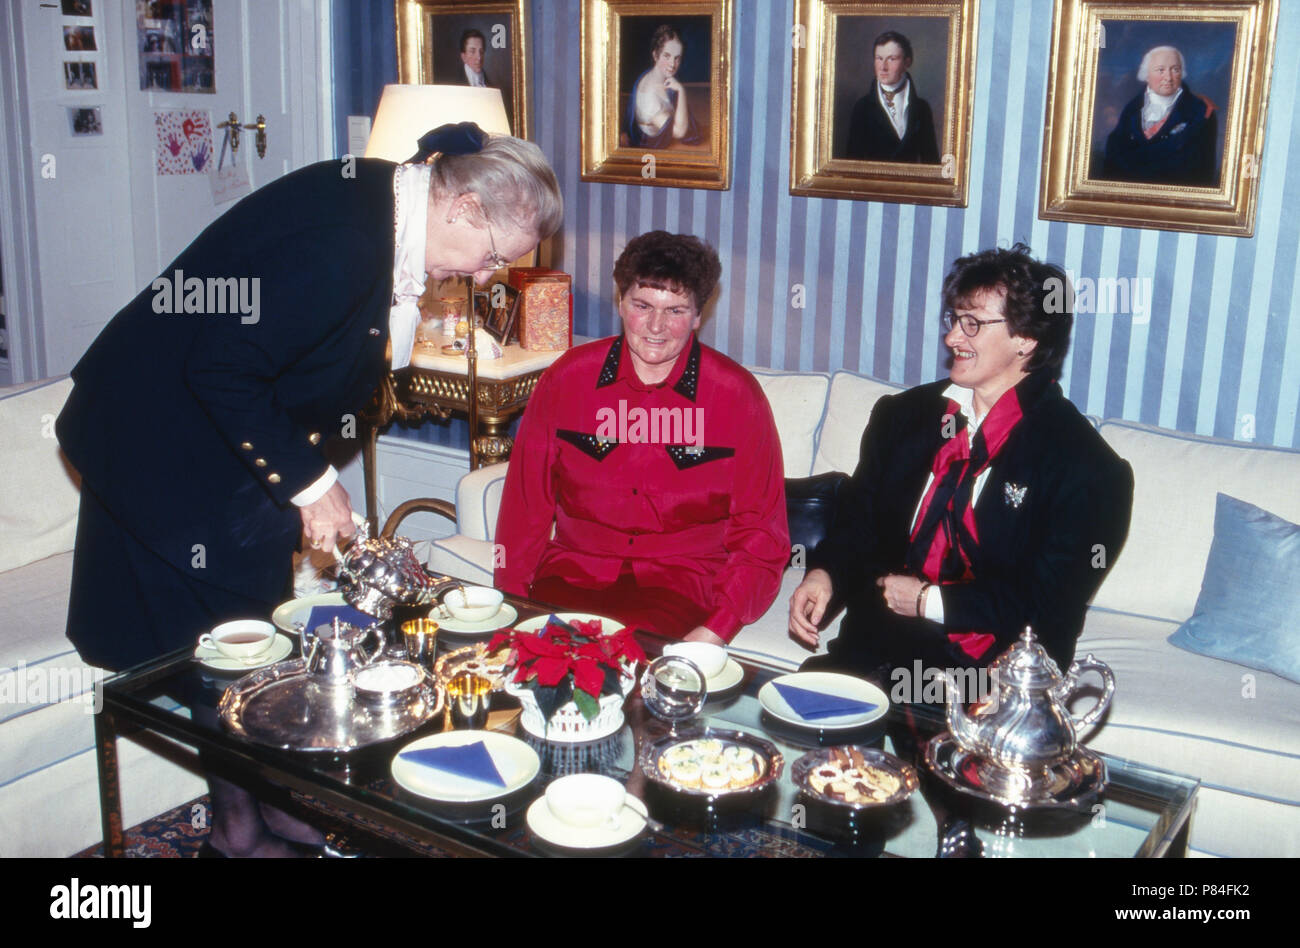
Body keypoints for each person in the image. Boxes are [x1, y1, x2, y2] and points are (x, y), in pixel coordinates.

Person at [57, 124, 562, 854]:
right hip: (157, 431)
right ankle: (238, 832)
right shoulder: (344, 240)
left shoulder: (383, 209)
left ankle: (278, 806)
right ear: (464, 210)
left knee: (258, 627)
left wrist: (301, 480)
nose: (485, 278)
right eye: (494, 258)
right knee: (225, 647)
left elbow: (302, 356)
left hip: (220, 433)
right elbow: (221, 367)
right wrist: (310, 484)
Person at [789, 244, 1133, 686]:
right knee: (796, 726)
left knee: (932, 755)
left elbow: (1049, 604)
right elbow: (860, 523)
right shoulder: (905, 416)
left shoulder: (1087, 468)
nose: (953, 337)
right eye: (954, 319)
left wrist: (930, 602)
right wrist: (824, 574)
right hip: (873, 650)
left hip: (992, 676)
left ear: (1026, 339)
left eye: (973, 323)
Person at [494, 231, 788, 646]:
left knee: (626, 674)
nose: (655, 326)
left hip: (678, 589)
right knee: (537, 668)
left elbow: (762, 535)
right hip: (573, 575)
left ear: (699, 315)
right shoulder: (566, 379)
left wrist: (716, 630)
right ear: (621, 304)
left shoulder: (737, 397)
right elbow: (525, 507)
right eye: (642, 305)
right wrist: (512, 603)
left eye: (675, 311)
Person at [1101, 46, 1219, 186]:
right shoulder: (1132, 110)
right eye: (1160, 70)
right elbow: (1114, 155)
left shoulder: (1201, 113)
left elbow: (1200, 171)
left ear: (1182, 73)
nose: (1168, 78)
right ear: (1146, 75)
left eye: (1175, 70)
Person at [844, 31, 940, 163]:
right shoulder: (862, 107)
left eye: (891, 59)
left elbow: (931, 161)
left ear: (907, 63)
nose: (883, 67)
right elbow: (851, 163)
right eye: (879, 58)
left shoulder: (922, 108)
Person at [625, 25, 704, 149]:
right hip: (657, 145)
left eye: (677, 58)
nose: (672, 64)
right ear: (655, 55)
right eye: (667, 56)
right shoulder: (649, 97)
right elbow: (679, 132)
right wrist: (681, 91)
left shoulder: (660, 77)